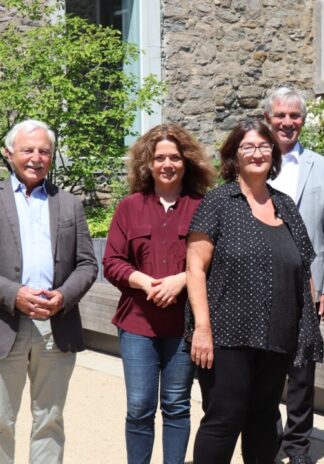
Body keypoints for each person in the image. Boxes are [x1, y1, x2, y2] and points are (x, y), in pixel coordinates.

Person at [0, 119, 98, 464]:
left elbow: (87, 265)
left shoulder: (69, 205)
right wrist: (14, 294)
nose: (36, 157)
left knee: (50, 420)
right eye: (27, 150)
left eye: (44, 151)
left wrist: (63, 296)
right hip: (2, 324)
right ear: (9, 153)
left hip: (55, 325)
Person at [186, 119, 324, 464]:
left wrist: (306, 325)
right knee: (224, 418)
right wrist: (202, 328)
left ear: (274, 154)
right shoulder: (219, 202)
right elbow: (195, 268)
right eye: (248, 147)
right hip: (227, 336)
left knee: (264, 420)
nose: (257, 153)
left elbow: (302, 267)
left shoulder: (286, 204)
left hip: (278, 336)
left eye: (264, 147)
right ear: (234, 155)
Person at [102, 124, 216, 464]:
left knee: (177, 403)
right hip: (137, 323)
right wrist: (143, 281)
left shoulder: (204, 206)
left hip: (183, 324)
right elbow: (112, 261)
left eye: (175, 157)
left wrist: (181, 279)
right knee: (139, 405)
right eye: (159, 158)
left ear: (187, 162)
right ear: (147, 164)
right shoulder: (129, 207)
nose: (167, 164)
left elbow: (216, 261)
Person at [264, 87, 324, 464]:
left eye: (294, 116)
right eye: (280, 115)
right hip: (260, 284)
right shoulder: (253, 162)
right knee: (263, 369)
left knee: (301, 372)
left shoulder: (322, 167)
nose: (287, 122)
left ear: (303, 121)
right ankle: (269, 438)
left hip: (307, 285)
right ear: (268, 119)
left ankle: (298, 447)